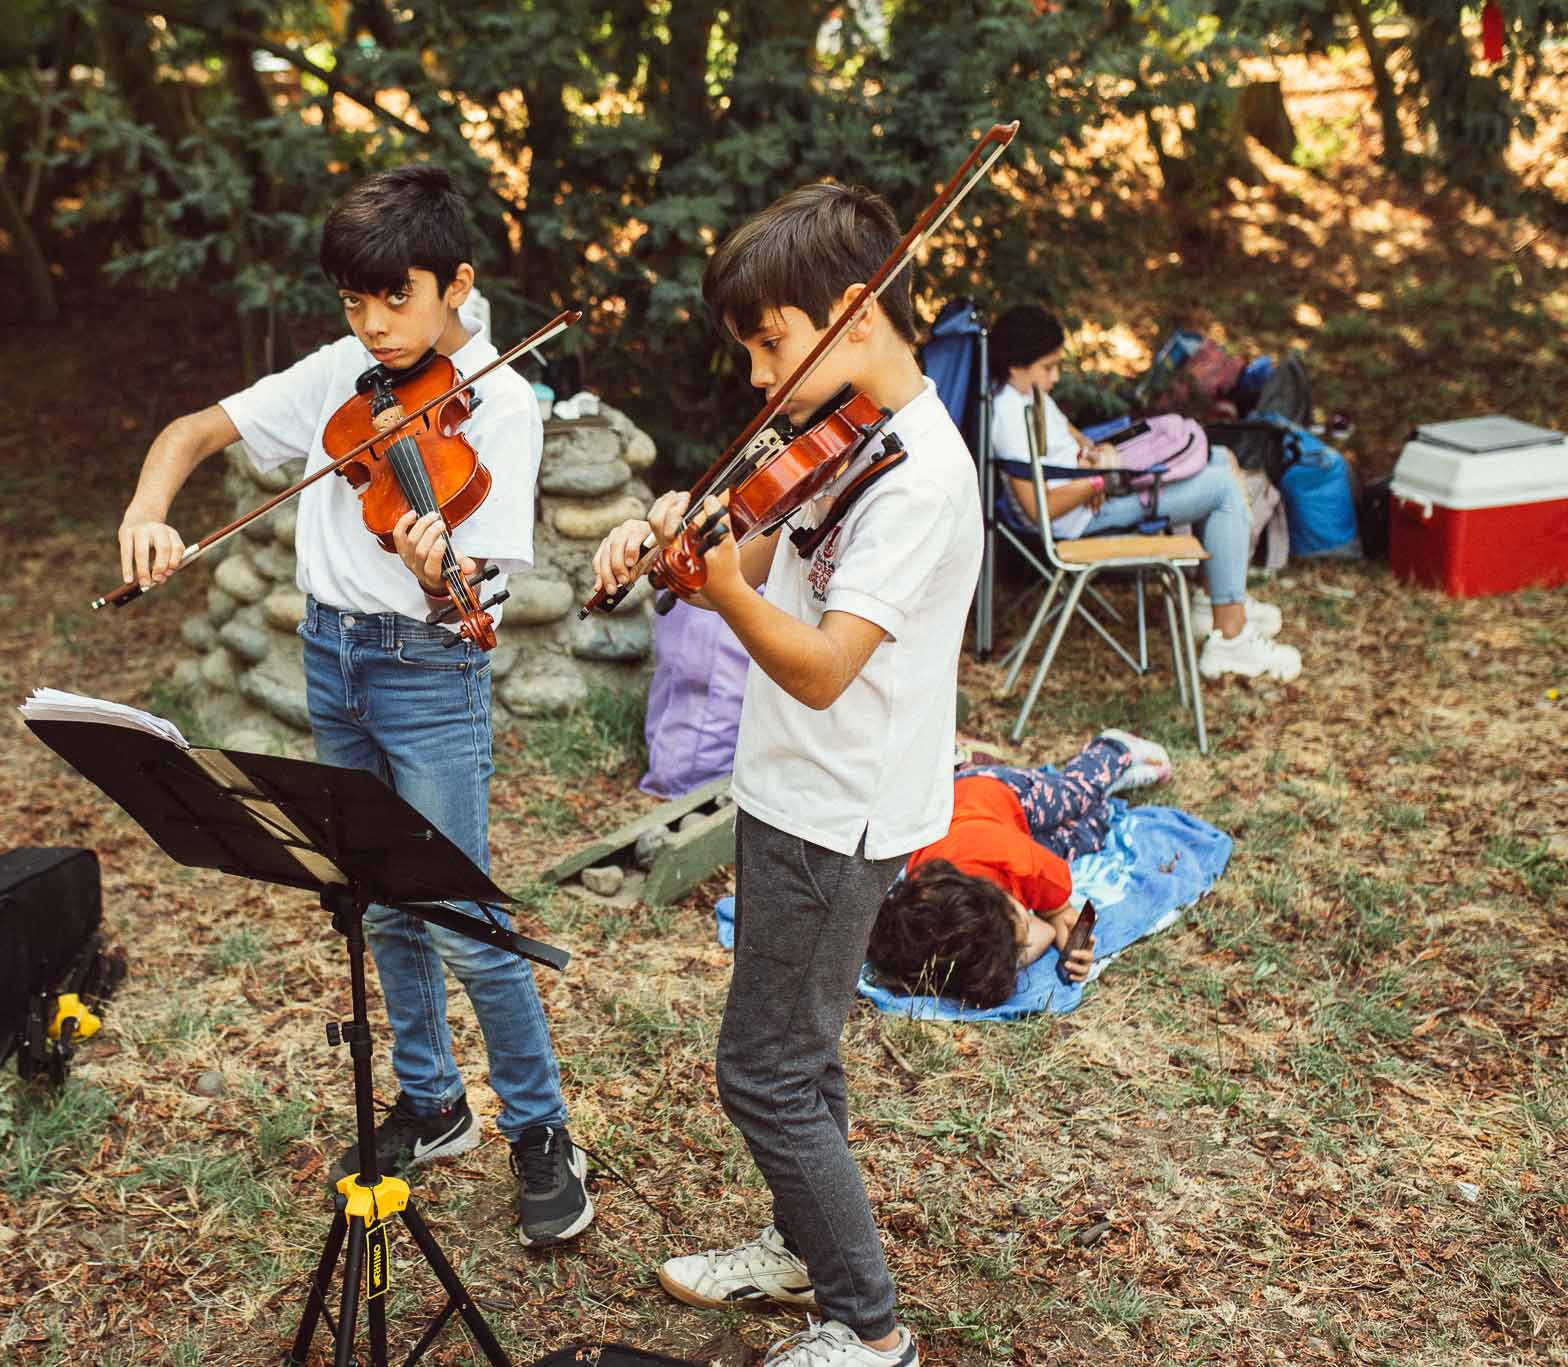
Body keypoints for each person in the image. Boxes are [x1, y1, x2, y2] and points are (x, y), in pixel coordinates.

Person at [116, 165, 592, 1249]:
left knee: (461, 915)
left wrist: (435, 572)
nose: (374, 326)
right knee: (375, 899)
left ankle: (542, 1130)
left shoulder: (502, 401)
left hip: (427, 667)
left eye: (396, 299)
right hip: (330, 657)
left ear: (456, 284)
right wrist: (148, 509)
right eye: (352, 300)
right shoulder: (345, 366)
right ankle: (431, 1102)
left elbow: (481, 596)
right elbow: (194, 429)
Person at [591, 182, 980, 1367]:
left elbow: (816, 667)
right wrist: (678, 535)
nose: (762, 378)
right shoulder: (844, 432)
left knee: (760, 1071)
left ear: (854, 310)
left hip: (837, 806)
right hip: (789, 788)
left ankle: (866, 1326)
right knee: (799, 1053)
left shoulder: (916, 480)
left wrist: (722, 589)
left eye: (772, 343)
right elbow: (750, 545)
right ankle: (803, 1247)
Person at [985, 305, 1302, 683]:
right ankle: (1231, 637)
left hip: (1090, 491)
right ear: (1015, 365)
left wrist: (1091, 454)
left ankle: (1211, 598)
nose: (1055, 377)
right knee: (1221, 490)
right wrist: (1098, 480)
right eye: (1048, 367)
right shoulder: (1007, 417)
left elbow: (1070, 434)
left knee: (1217, 458)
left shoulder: (1029, 394)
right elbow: (1039, 509)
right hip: (1079, 520)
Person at [864, 730, 1171, 1007]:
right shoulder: (934, 918)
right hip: (978, 820)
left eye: (1019, 923)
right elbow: (1043, 930)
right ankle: (1116, 787)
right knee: (1089, 834)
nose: (1027, 925)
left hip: (997, 790)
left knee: (1075, 795)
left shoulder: (1024, 865)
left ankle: (1115, 748)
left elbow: (1051, 921)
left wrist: (1059, 919)